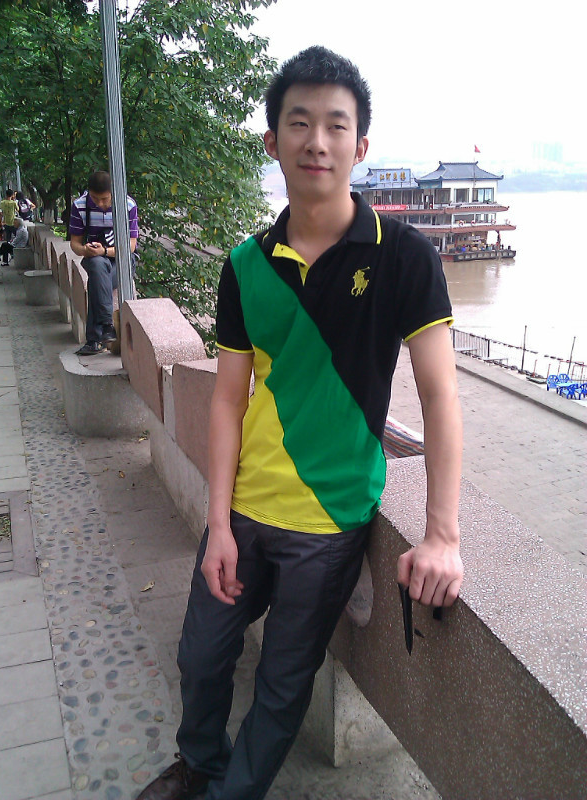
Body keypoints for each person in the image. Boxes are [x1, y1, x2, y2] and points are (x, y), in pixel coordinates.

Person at [138, 46, 463, 800]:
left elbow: (441, 397)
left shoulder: (404, 257)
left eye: (336, 125)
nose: (317, 141)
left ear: (360, 145)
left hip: (331, 520)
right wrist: (218, 522)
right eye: (299, 122)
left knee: (284, 686)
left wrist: (442, 535)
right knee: (201, 657)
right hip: (245, 510)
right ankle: (199, 764)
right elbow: (227, 398)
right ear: (272, 141)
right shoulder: (245, 264)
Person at [69, 170, 138, 355]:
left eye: (105, 199)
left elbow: (131, 247)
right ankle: (107, 325)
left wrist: (105, 251)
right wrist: (85, 250)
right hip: (95, 259)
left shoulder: (127, 205)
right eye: (95, 199)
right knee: (98, 266)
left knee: (97, 280)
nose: (100, 204)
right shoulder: (80, 206)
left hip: (122, 261)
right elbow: (74, 243)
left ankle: (95, 338)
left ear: (113, 192)